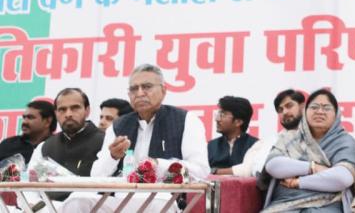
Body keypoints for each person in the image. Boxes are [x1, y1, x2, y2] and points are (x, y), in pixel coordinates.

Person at [61, 64, 210, 212]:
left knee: (159, 202)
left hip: (162, 199)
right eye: (134, 89)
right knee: (77, 199)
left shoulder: (185, 120)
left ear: (163, 91)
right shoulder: (118, 125)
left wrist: (158, 165)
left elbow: (201, 171)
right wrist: (113, 157)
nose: (139, 93)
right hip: (120, 200)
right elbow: (97, 175)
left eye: (147, 87)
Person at [260, 88, 355, 212]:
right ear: (305, 111)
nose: (319, 112)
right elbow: (273, 166)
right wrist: (313, 167)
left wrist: (298, 182)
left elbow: (342, 178)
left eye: (326, 108)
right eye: (314, 107)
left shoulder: (345, 141)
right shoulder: (290, 137)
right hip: (284, 205)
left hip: (327, 206)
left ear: (336, 114)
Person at [28, 88, 105, 202]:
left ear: (87, 111)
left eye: (75, 108)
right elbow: (31, 187)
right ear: (56, 113)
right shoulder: (44, 147)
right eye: (62, 109)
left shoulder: (106, 142)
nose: (68, 114)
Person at [208, 95, 258, 173]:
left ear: (238, 122)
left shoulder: (256, 145)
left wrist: (215, 171)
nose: (217, 119)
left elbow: (250, 171)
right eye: (218, 114)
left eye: (223, 115)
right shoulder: (210, 146)